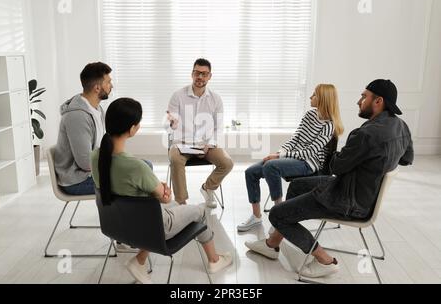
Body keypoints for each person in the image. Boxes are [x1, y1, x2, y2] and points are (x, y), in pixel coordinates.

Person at [245, 79, 413, 278]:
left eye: (364, 96)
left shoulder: (366, 134)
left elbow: (335, 167)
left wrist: (338, 153)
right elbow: (406, 159)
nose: (359, 101)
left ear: (378, 101)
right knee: (297, 186)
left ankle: (324, 260)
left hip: (347, 200)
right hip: (362, 192)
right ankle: (272, 244)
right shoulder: (401, 127)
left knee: (276, 214)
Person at [91, 98, 233, 284]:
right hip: (152, 228)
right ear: (133, 129)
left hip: (117, 225)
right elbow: (165, 199)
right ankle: (214, 261)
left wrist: (157, 192)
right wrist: (163, 191)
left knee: (176, 207)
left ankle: (140, 261)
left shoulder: (95, 156)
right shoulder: (137, 167)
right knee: (200, 211)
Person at [237, 84, 344, 232]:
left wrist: (279, 156)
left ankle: (279, 216)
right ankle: (256, 216)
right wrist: (280, 152)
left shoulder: (329, 126)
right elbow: (295, 139)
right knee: (251, 172)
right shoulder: (309, 115)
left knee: (271, 166)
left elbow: (310, 152)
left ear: (323, 99)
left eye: (314, 95)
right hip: (293, 157)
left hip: (308, 163)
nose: (310, 97)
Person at [165, 58, 233, 207]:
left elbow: (218, 127)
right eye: (197, 73)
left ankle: (207, 188)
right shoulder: (178, 95)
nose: (200, 77)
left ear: (210, 76)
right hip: (182, 143)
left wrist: (210, 144)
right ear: (192, 74)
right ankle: (181, 202)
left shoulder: (216, 99)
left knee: (227, 163)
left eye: (204, 74)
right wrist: (171, 123)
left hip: (206, 145)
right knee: (175, 159)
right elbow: (170, 124)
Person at [54, 62, 113, 195]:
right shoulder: (77, 116)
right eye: (108, 82)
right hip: (76, 180)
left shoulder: (97, 109)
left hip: (90, 172)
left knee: (142, 167)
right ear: (97, 88)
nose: (111, 86)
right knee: (134, 177)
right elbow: (86, 163)